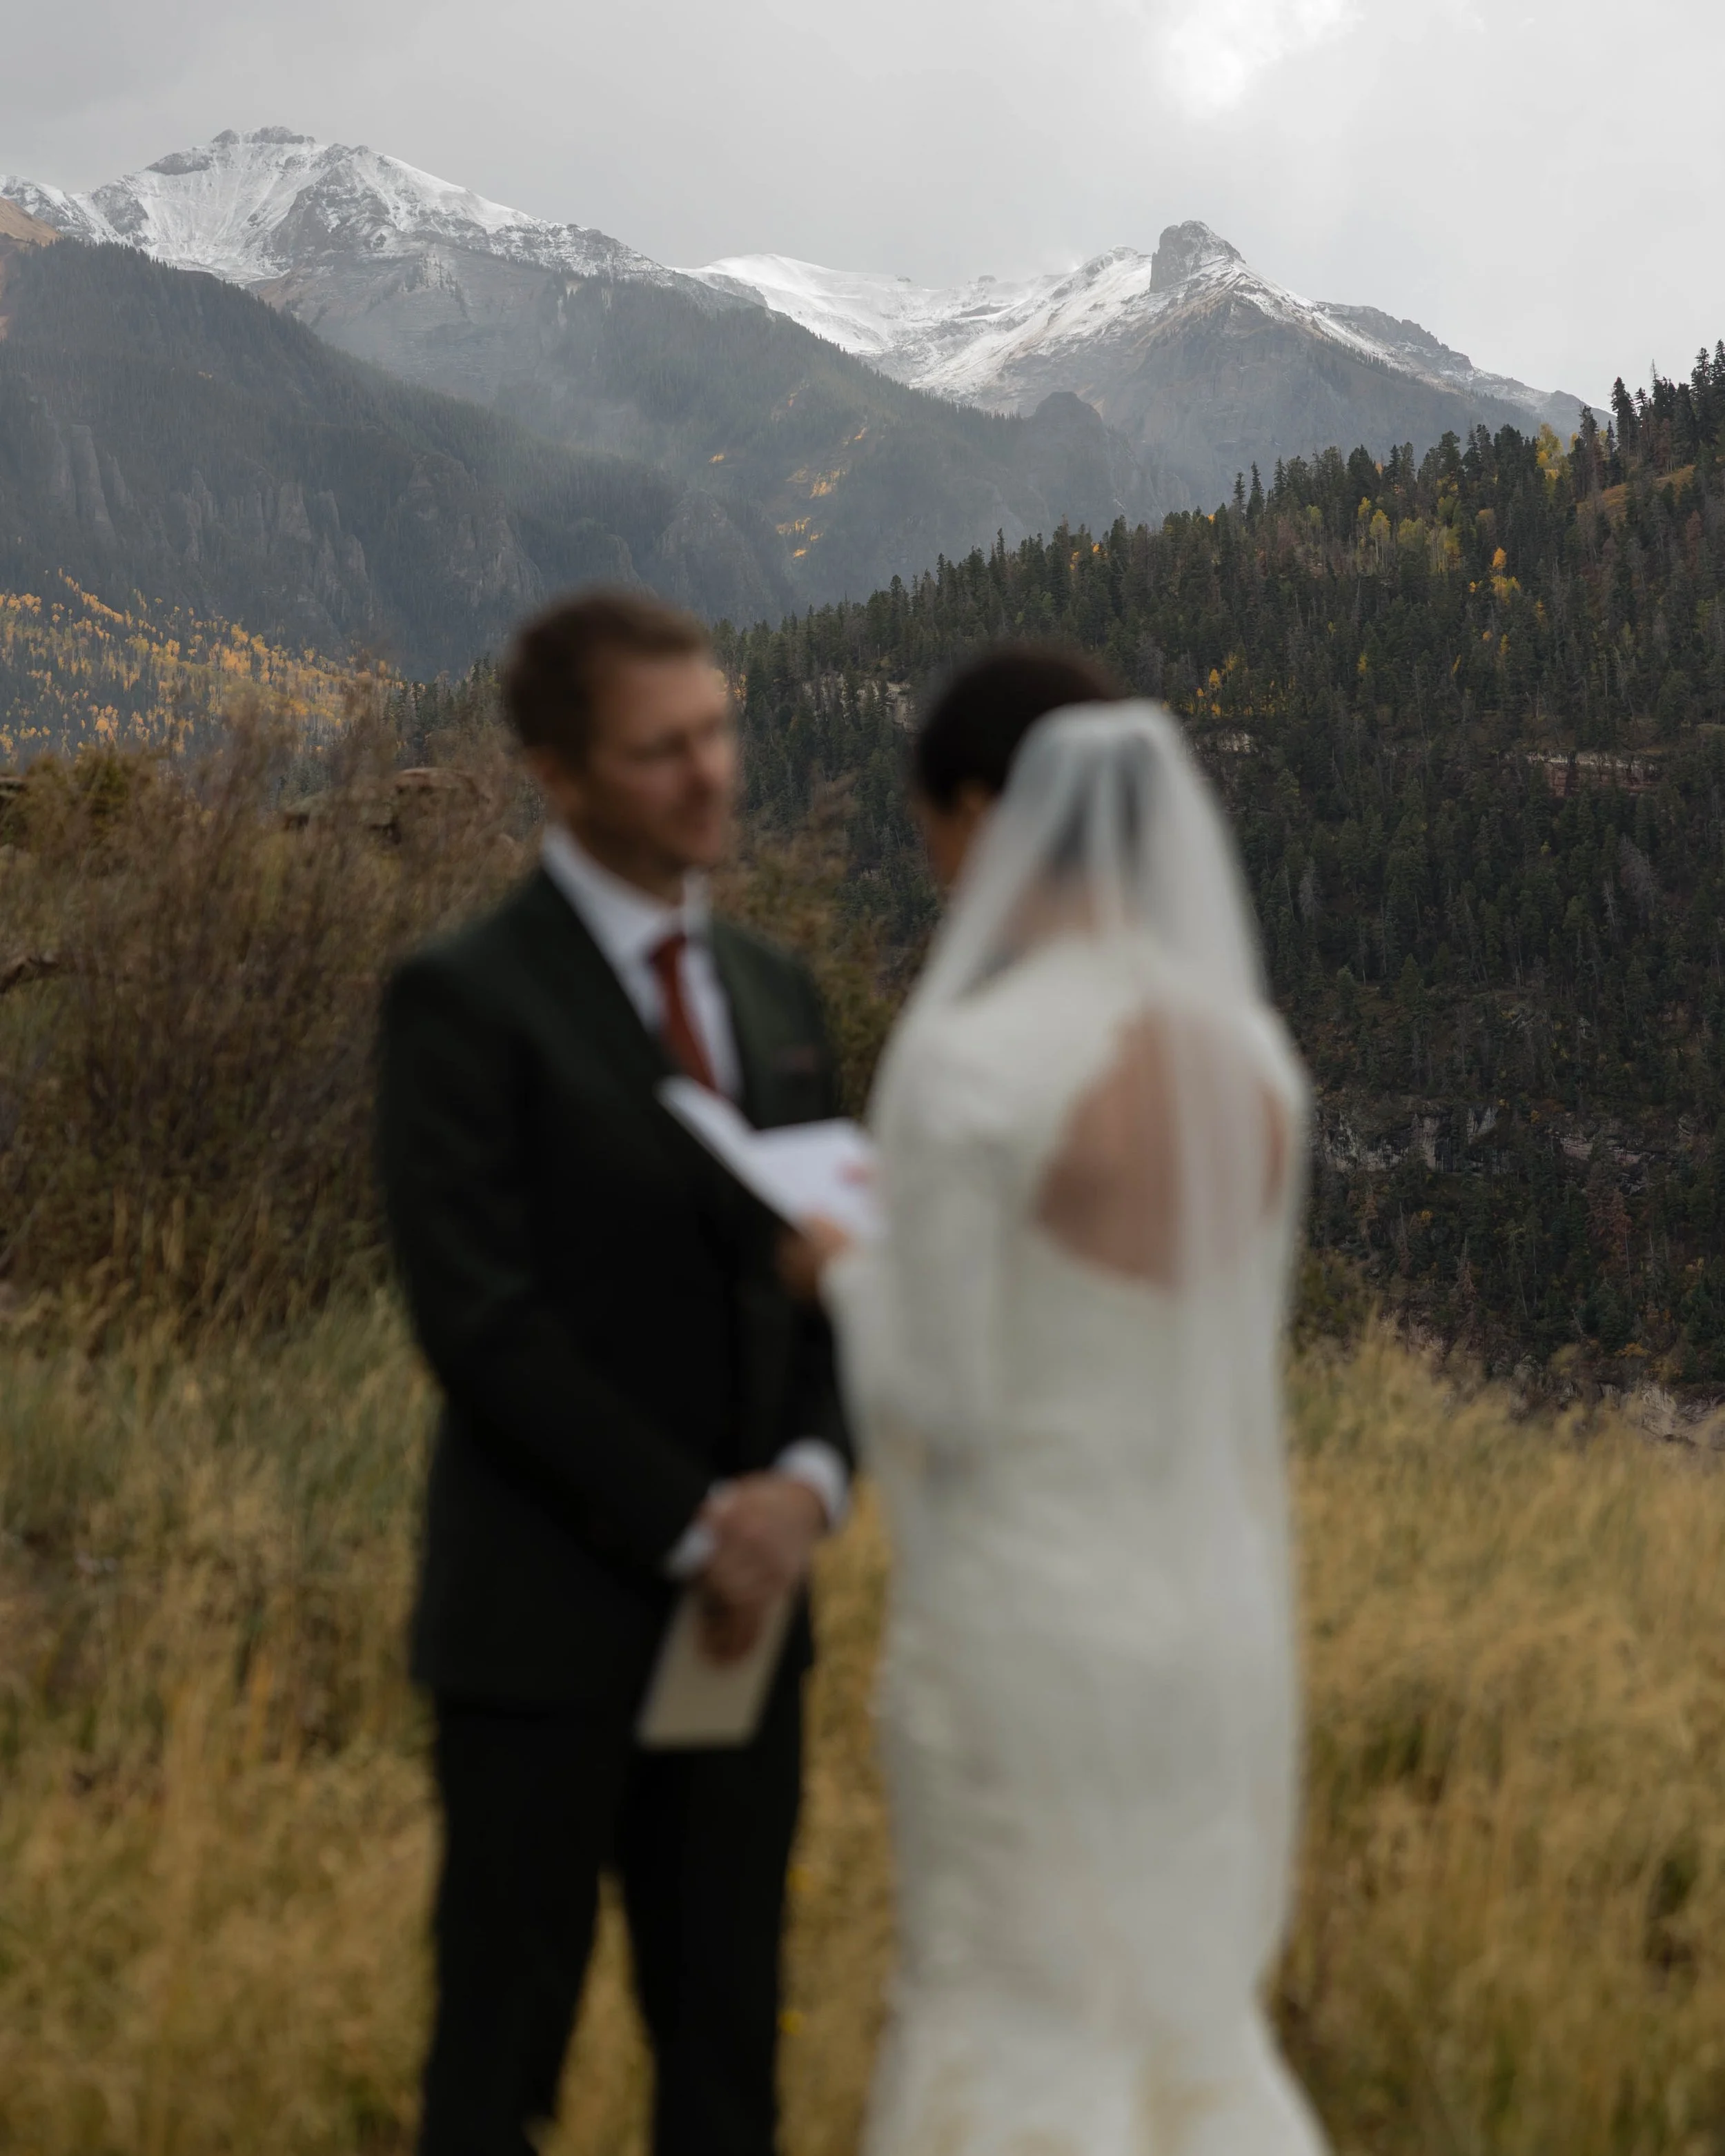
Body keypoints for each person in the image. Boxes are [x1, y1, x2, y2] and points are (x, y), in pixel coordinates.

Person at [786, 648, 1328, 2155]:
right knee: (1180, 2023)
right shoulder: (1256, 1066)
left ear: (976, 811)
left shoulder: (972, 1068)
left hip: (1030, 1624)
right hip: (1205, 1617)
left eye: (932, 835)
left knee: (1023, 2023)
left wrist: (844, 1267)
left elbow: (937, 1403)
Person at [377, 589, 852, 2156]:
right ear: (556, 773)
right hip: (543, 1622)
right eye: (661, 751)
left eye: (715, 729)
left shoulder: (779, 998)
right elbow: (480, 1319)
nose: (711, 772)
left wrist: (801, 1486)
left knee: (726, 2061)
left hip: (750, 1627)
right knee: (498, 2063)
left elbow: (833, 1283)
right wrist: (691, 1521)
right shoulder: (465, 996)